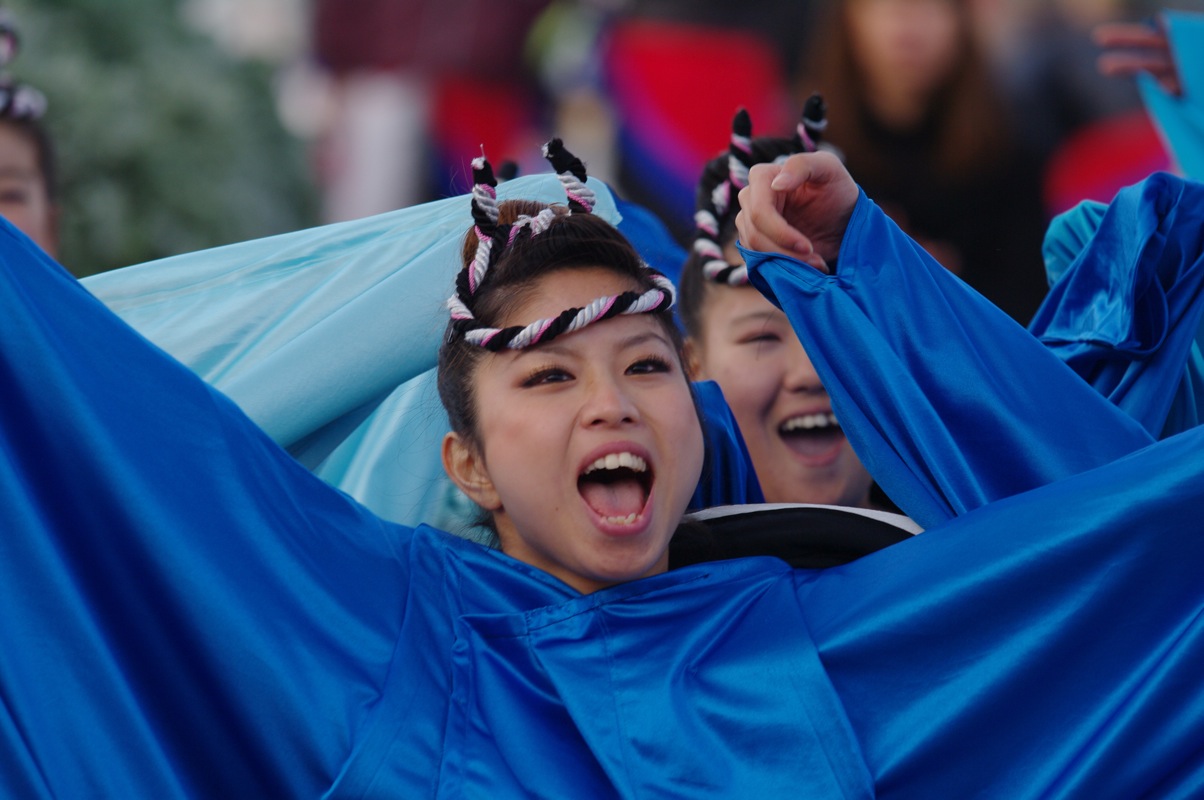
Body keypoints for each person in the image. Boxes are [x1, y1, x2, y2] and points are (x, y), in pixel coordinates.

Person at [4, 138, 1204, 797]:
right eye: (548, 377)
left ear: (689, 411)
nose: (608, 402)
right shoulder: (384, 634)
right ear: (464, 463)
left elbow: (1114, 557)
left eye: (639, 365)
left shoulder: (829, 634)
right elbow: (124, 457)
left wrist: (867, 282)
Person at [679, 100, 885, 511]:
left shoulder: (979, 555)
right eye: (762, 337)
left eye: (839, 329)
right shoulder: (658, 570)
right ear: (690, 368)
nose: (809, 374)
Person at [799, 0, 1050, 323]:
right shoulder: (808, 156)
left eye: (933, 4)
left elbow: (1031, 308)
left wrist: (943, 280)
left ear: (962, 20)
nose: (908, 19)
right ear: (847, 18)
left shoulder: (1012, 149)